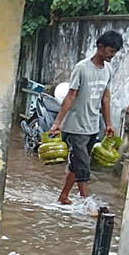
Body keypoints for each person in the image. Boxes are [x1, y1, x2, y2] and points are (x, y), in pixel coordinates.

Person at [49, 30, 123, 205]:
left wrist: (108, 124)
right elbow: (70, 96)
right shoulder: (81, 68)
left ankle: (64, 196)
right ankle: (86, 202)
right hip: (76, 126)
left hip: (92, 125)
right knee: (83, 164)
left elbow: (105, 98)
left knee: (76, 165)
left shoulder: (108, 70)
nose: (112, 55)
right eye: (110, 51)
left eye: (114, 52)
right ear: (100, 47)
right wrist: (57, 123)